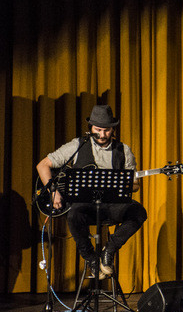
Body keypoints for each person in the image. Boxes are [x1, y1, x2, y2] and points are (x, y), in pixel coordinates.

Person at [35, 105, 148, 278]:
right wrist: (53, 191)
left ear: (113, 129)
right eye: (98, 130)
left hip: (112, 206)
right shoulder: (77, 145)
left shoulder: (124, 150)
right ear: (91, 128)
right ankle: (91, 259)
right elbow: (43, 165)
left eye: (107, 130)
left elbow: (135, 185)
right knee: (73, 215)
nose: (102, 135)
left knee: (138, 212)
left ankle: (108, 251)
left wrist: (121, 184)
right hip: (85, 206)